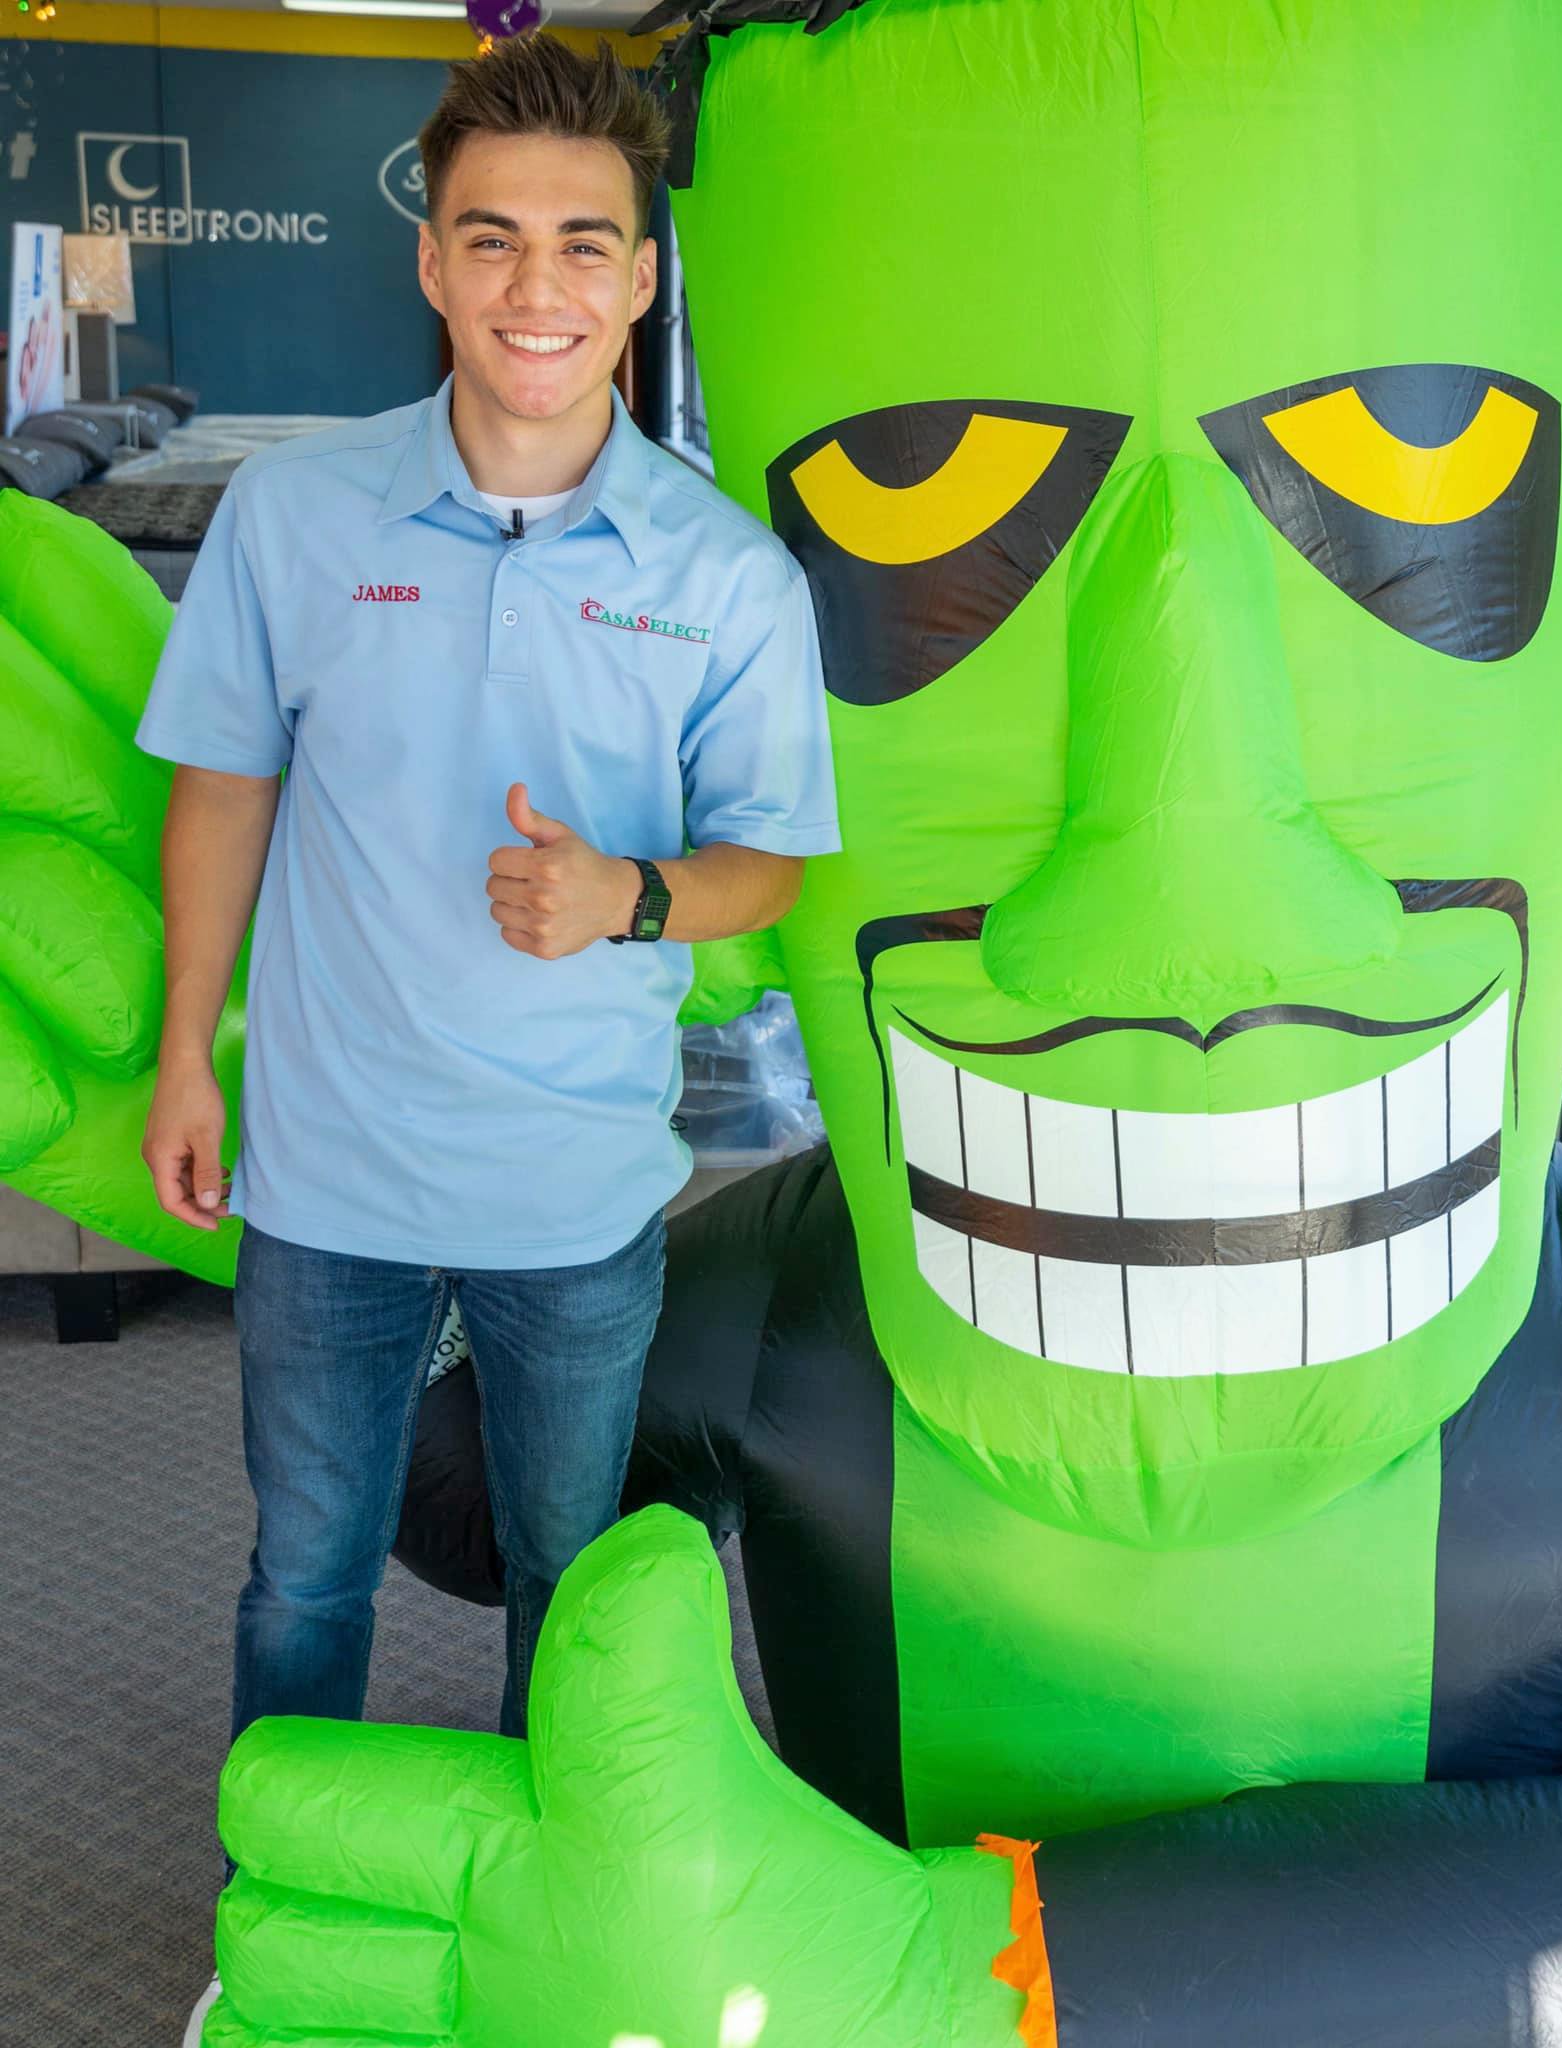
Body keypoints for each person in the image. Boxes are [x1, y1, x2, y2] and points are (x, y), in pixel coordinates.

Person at [135, 33, 838, 2025]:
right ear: (433, 262)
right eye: (494, 238)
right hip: (326, 1172)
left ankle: (546, 1952)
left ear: (641, 277)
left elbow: (770, 864)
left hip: (575, 1188)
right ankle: (275, 1944)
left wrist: (628, 894)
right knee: (306, 1574)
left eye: (583, 243)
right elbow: (224, 789)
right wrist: (189, 1053)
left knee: (568, 1581)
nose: (539, 284)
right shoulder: (295, 515)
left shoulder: (722, 572)